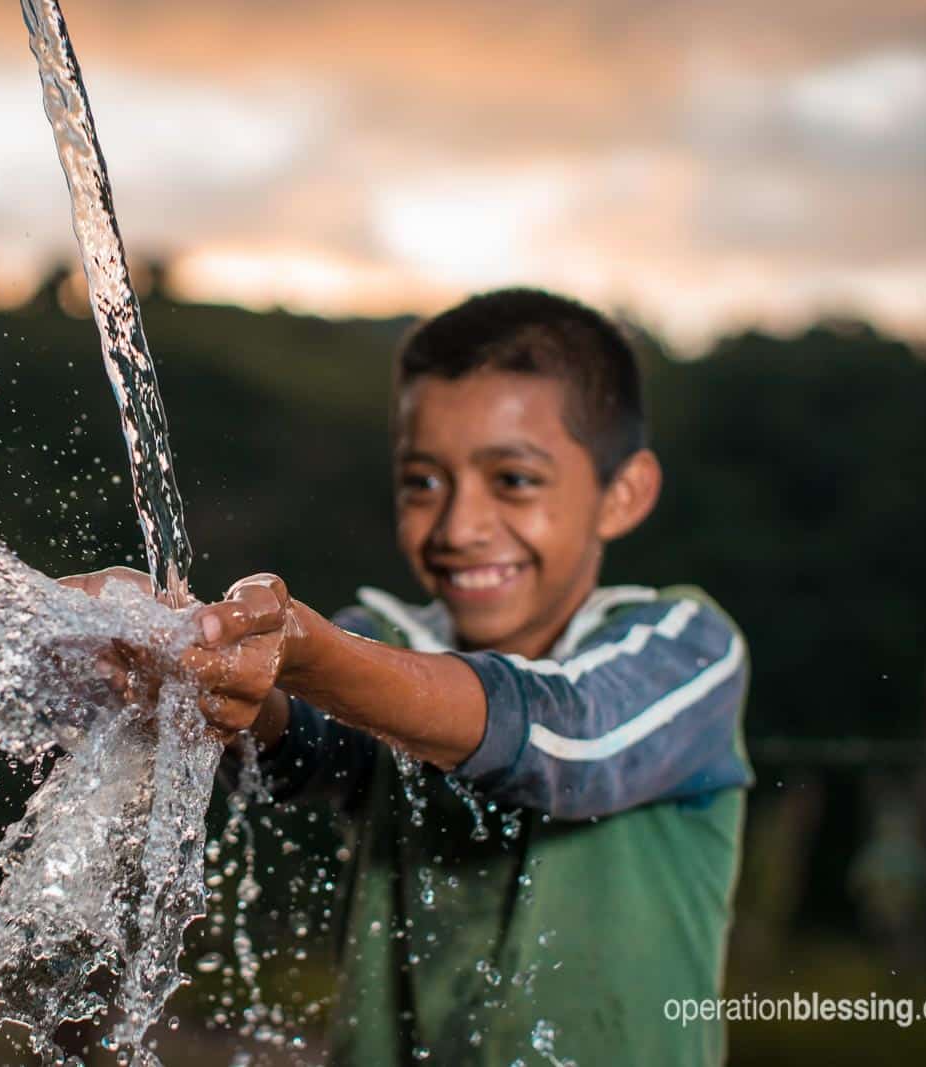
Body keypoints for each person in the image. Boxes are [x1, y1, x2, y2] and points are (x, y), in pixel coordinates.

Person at [64, 288, 752, 1065]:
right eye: (424, 482)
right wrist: (194, 659)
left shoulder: (686, 647)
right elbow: (305, 731)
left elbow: (575, 735)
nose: (459, 526)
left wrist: (308, 652)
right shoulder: (383, 643)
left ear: (623, 493)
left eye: (515, 481)